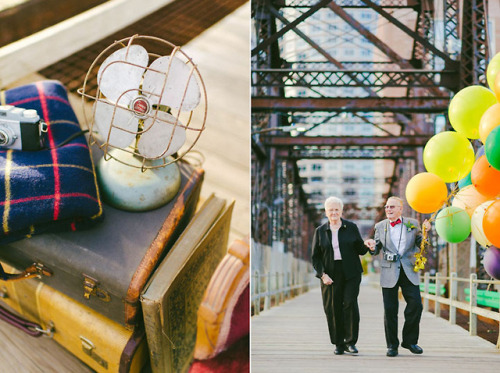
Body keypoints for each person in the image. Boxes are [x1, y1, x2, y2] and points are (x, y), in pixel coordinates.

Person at [364, 196, 431, 358]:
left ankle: (409, 341)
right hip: (389, 271)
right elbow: (377, 248)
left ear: (400, 209)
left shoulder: (412, 223)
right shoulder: (380, 226)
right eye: (387, 207)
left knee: (416, 305)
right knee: (390, 310)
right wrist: (372, 246)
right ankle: (392, 346)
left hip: (408, 270)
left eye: (392, 207)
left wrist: (426, 232)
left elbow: (423, 245)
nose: (388, 209)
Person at [311, 196, 369, 355]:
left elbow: (360, 249)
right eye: (331, 210)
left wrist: (368, 245)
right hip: (330, 273)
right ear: (326, 212)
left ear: (341, 211)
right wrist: (323, 275)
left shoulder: (351, 227)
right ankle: (338, 343)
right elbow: (315, 257)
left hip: (351, 272)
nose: (334, 212)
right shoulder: (320, 231)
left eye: (337, 209)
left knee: (350, 303)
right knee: (333, 307)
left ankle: (351, 342)